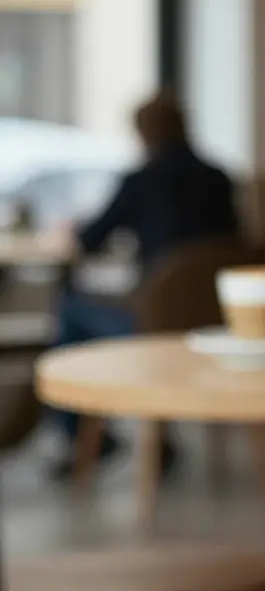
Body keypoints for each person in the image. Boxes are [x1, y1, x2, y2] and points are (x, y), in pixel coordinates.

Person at [47, 92, 241, 478]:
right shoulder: (220, 177)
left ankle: (82, 436)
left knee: (71, 308)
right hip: (218, 319)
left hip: (154, 321)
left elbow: (91, 240)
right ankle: (158, 437)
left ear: (143, 133)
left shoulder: (141, 180)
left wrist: (73, 229)